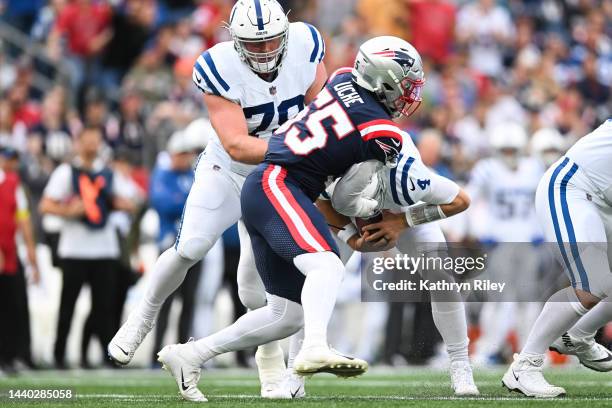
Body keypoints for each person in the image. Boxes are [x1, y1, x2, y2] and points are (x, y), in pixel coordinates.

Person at [155, 35, 419, 402]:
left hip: (268, 184)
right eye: (406, 84)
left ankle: (189, 355)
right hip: (278, 183)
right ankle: (314, 347)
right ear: (385, 80)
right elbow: (344, 196)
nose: (410, 94)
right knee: (327, 266)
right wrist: (368, 211)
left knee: (285, 314)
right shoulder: (383, 131)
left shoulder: (342, 78)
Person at [109, 0, 327, 399]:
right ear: (234, 38)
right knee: (191, 245)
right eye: (252, 44)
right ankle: (143, 316)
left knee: (254, 284)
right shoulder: (217, 64)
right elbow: (238, 145)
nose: (263, 51)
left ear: (286, 33)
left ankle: (269, 356)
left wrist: (321, 147)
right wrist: (306, 146)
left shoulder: (307, 44)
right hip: (228, 172)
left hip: (279, 175)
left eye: (270, 42)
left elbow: (322, 112)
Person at [314, 133, 477, 395]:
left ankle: (460, 365)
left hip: (403, 211)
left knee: (441, 276)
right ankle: (293, 368)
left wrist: (401, 222)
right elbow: (321, 200)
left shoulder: (408, 178)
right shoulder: (332, 163)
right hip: (346, 212)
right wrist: (351, 237)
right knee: (319, 276)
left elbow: (461, 200)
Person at [502, 119, 612, 397]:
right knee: (591, 286)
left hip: (602, 200)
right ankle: (524, 366)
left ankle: (578, 335)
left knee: (597, 285)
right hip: (572, 188)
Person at [39, 126, 136, 368]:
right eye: (88, 140)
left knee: (104, 307)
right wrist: (68, 211)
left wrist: (114, 204)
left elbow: (130, 201)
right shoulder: (66, 172)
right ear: (78, 142)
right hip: (74, 249)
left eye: (96, 139)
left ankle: (106, 355)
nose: (92, 144)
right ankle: (59, 355)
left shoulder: (108, 173)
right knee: (68, 305)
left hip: (104, 249)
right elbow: (46, 205)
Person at [466, 123, 545, 365]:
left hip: (528, 241)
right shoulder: (486, 169)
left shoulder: (534, 168)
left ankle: (530, 351)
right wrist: (480, 231)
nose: (509, 155)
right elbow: (470, 200)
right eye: (505, 150)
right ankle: (489, 348)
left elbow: (543, 202)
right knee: (499, 298)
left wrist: (540, 230)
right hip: (498, 241)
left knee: (528, 298)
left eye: (513, 150)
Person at [0, 146, 39, 374]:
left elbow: (22, 217)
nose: (11, 163)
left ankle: (14, 355)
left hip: (11, 252)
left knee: (15, 305)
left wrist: (31, 250)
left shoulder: (14, 183)